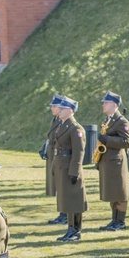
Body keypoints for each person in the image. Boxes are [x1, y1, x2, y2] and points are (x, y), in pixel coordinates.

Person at [52, 97, 88, 241]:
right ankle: (70, 228)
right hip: (62, 166)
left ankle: (75, 230)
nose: (59, 111)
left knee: (74, 199)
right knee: (67, 199)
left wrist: (74, 172)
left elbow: (78, 151)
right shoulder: (62, 125)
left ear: (71, 111)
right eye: (59, 108)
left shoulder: (75, 128)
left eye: (63, 109)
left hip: (70, 168)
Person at [97, 91, 129, 231]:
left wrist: (108, 140)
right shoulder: (107, 120)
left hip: (117, 161)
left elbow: (127, 142)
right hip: (108, 160)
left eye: (106, 103)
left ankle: (120, 221)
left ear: (115, 105)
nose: (103, 105)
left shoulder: (122, 121)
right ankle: (114, 219)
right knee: (112, 191)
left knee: (120, 191)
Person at [44, 95, 66, 225]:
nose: (52, 108)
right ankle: (61, 212)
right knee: (57, 186)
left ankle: (65, 213)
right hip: (53, 155)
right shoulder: (56, 120)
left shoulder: (62, 121)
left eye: (55, 106)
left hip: (59, 156)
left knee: (62, 186)